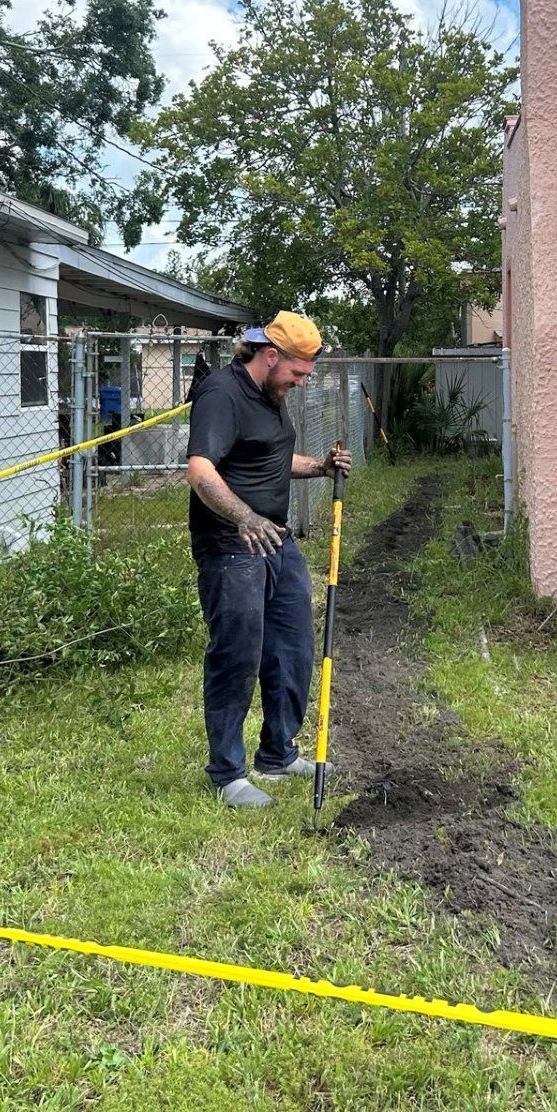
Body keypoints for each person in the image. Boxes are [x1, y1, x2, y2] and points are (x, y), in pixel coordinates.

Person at [185, 311, 351, 808]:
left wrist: (319, 467)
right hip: (231, 546)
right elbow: (199, 471)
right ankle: (227, 774)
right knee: (237, 654)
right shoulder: (222, 394)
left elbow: (269, 459)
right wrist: (244, 517)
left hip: (276, 541)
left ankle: (277, 753)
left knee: (293, 646)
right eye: (297, 373)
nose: (301, 383)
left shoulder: (274, 397)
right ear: (271, 355)